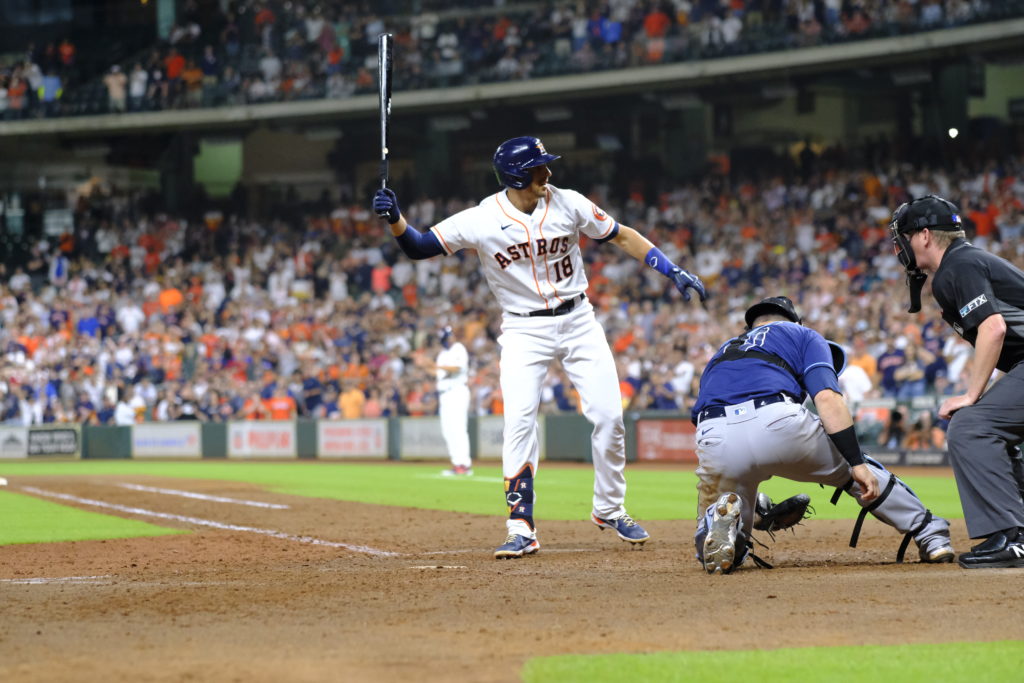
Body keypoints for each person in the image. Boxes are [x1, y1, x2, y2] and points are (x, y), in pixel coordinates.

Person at [373, 135, 707, 559]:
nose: (547, 173)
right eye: (538, 168)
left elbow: (621, 236)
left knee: (609, 416)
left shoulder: (567, 202)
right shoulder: (481, 218)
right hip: (523, 329)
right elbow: (419, 247)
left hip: (578, 319)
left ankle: (609, 508)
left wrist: (671, 268)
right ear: (516, 175)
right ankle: (520, 526)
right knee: (519, 424)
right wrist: (396, 219)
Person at [691, 296, 954, 574]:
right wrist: (855, 463)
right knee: (857, 472)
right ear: (795, 320)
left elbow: (707, 417)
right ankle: (930, 534)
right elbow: (827, 399)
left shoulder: (722, 352)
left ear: (749, 328)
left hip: (714, 434)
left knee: (728, 525)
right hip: (778, 421)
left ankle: (730, 531)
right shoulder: (802, 334)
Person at [889, 194, 1024, 569]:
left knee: (971, 426)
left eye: (905, 235)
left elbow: (993, 329)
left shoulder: (957, 266)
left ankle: (1012, 539)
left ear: (925, 236)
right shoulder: (966, 262)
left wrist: (971, 394)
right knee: (991, 428)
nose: (900, 245)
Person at [418, 326, 473, 476]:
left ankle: (464, 464)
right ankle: (457, 464)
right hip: (444, 394)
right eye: (447, 337)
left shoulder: (458, 348)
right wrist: (424, 366)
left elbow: (456, 368)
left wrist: (433, 364)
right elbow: (439, 372)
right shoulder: (443, 353)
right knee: (448, 430)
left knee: (459, 429)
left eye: (450, 336)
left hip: (457, 391)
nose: (450, 338)